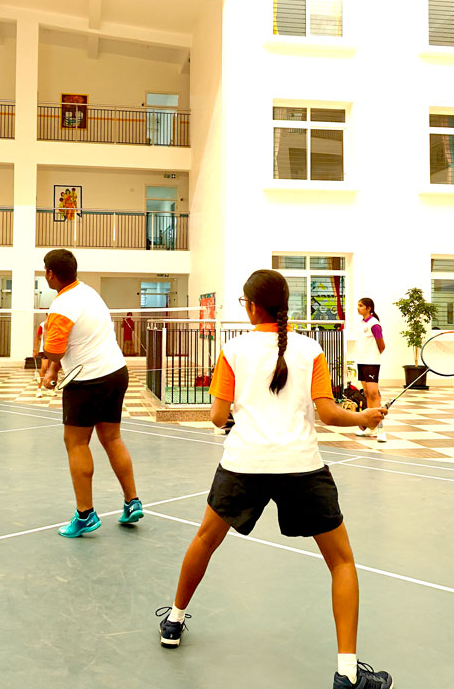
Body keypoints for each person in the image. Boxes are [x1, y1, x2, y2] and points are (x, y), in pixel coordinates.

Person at [156, 270, 393, 689]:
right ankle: (347, 673)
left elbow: (217, 417)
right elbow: (329, 414)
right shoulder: (311, 349)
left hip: (243, 464)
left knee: (204, 541)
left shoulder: (233, 349)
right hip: (301, 466)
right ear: (285, 305)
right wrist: (365, 418)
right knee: (341, 562)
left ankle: (173, 622)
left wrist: (240, 415)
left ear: (251, 306)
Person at [41, 248, 143, 536]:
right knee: (112, 438)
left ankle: (85, 514)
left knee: (76, 443)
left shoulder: (61, 306)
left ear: (50, 274)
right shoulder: (89, 293)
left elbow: (54, 350)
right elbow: (76, 342)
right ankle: (132, 501)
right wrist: (53, 370)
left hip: (86, 381)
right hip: (116, 373)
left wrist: (46, 344)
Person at [353, 297, 387, 443]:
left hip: (371, 363)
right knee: (367, 394)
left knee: (374, 395)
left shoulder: (374, 324)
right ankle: (370, 427)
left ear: (368, 308)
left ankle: (381, 429)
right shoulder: (362, 323)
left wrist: (373, 356)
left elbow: (382, 346)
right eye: (358, 305)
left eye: (361, 306)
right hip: (361, 362)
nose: (358, 308)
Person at [33, 316, 50, 398]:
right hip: (44, 350)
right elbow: (37, 337)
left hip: (53, 350)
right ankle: (39, 389)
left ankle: (51, 389)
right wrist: (34, 350)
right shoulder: (42, 325)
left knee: (52, 369)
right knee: (44, 368)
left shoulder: (56, 324)